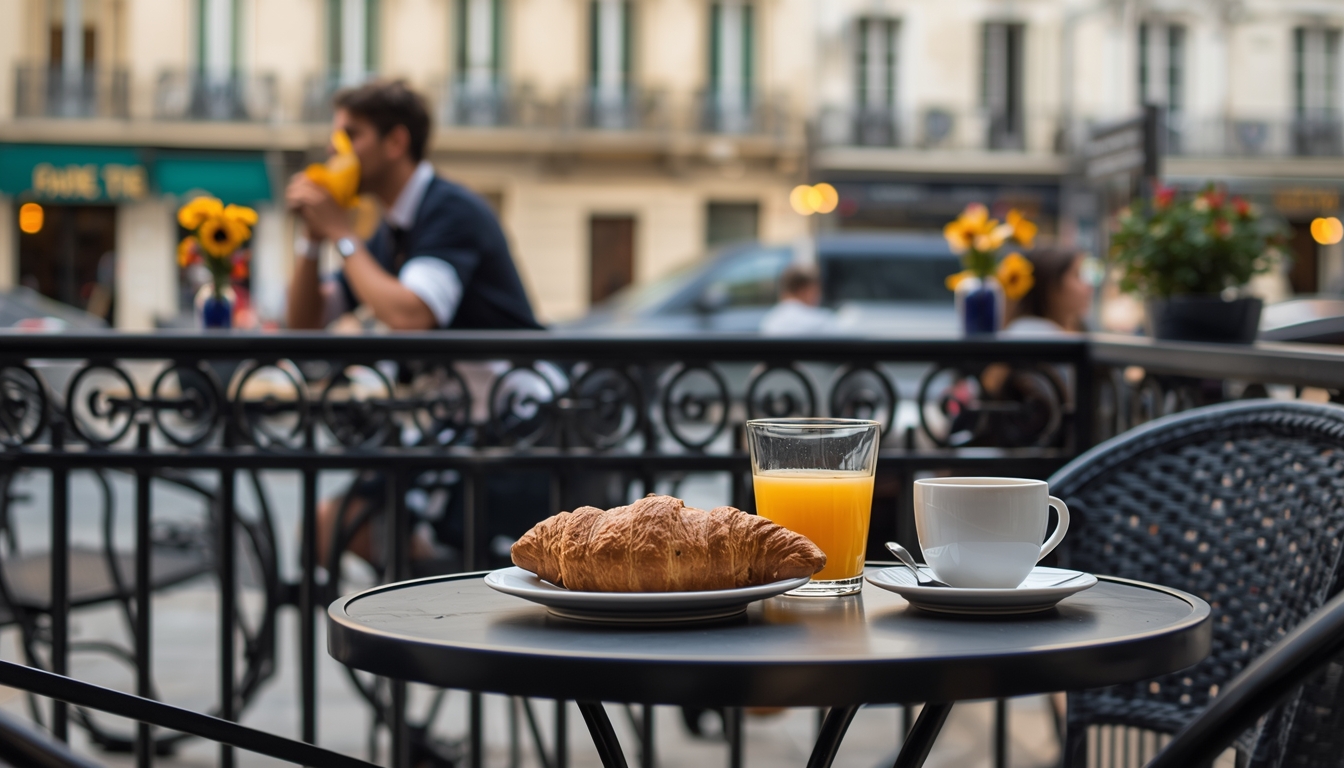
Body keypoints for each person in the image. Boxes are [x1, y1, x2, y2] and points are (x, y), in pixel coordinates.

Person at [285, 80, 544, 568]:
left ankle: (438, 607)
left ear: (396, 142)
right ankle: (427, 604)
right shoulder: (390, 232)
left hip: (516, 433)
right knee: (328, 527)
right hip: (453, 429)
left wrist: (341, 232)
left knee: (348, 526)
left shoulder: (450, 210)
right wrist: (311, 240)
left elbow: (411, 314)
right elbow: (306, 323)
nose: (335, 150)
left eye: (351, 135)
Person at [1002, 248, 1093, 335]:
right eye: (1077, 275)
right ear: (1050, 286)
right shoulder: (1029, 335)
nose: (1088, 286)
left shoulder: (1077, 331)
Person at [759, 265, 835, 335]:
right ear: (807, 290)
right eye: (817, 291)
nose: (819, 296)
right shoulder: (821, 321)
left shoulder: (770, 321)